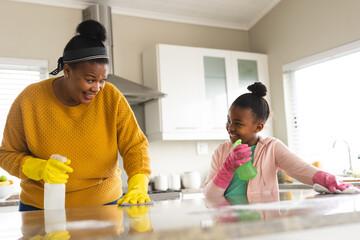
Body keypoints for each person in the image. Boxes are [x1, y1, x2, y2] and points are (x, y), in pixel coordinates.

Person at [0, 20, 151, 211]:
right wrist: (35, 167)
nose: (97, 88)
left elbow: (135, 146)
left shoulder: (111, 96)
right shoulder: (29, 99)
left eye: (102, 80)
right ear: (68, 71)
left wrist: (138, 183)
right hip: (40, 208)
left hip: (104, 206)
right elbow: (6, 154)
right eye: (90, 80)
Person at [203, 82, 355, 198]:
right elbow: (210, 195)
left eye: (238, 123)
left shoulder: (272, 148)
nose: (230, 127)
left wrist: (329, 180)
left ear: (258, 127)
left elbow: (300, 168)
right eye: (229, 120)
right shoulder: (221, 151)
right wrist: (228, 167)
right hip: (228, 224)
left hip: (264, 223)